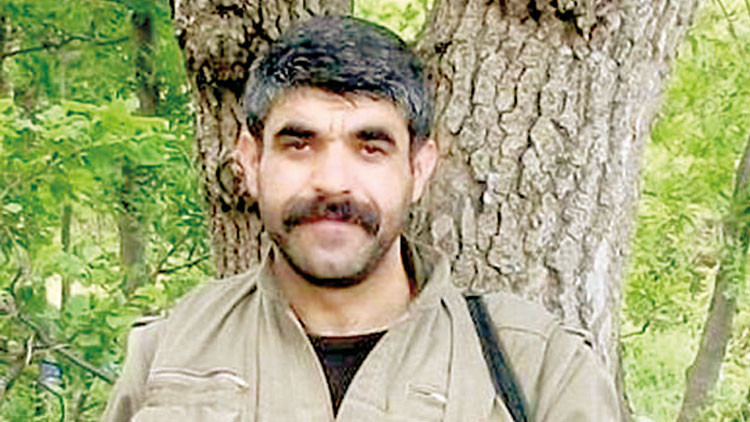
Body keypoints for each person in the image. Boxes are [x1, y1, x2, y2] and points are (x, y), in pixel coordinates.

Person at [104, 16, 620, 422]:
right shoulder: (170, 353)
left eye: (371, 147)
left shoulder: (538, 369)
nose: (333, 182)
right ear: (252, 161)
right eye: (299, 144)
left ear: (419, 169)